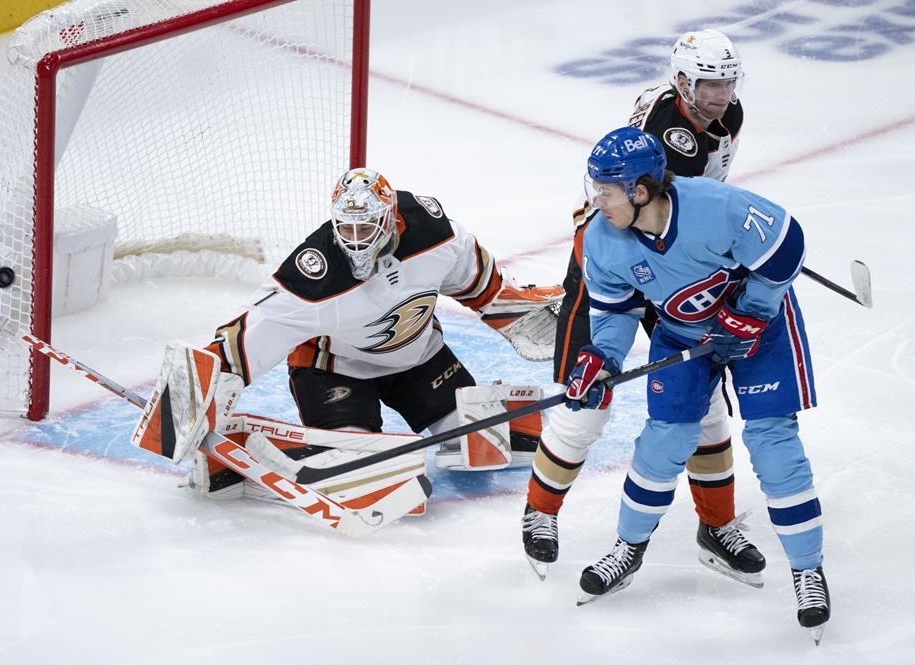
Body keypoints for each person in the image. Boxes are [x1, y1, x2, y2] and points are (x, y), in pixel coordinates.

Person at [137, 167, 561, 501]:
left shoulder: (434, 233)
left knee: (489, 443)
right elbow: (247, 340)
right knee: (359, 467)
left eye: (366, 228)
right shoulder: (315, 274)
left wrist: (522, 314)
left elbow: (478, 282)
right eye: (346, 229)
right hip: (333, 372)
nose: (355, 241)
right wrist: (184, 401)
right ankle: (247, 460)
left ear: (391, 218)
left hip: (418, 358)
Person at [568, 127, 829, 641]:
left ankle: (808, 571)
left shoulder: (715, 206)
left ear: (641, 190)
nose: (595, 198)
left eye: (606, 189)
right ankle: (628, 547)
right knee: (664, 440)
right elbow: (616, 313)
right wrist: (601, 359)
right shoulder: (600, 239)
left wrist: (753, 312)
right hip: (682, 330)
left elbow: (786, 244)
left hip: (761, 329)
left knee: (773, 441)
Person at [522, 29, 763, 584]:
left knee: (702, 403)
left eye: (728, 81)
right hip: (614, 264)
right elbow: (639, 207)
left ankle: (716, 525)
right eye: (709, 83)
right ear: (682, 81)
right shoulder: (664, 139)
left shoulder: (727, 115)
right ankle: (540, 511)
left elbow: (697, 201)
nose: (722, 93)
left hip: (677, 261)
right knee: (586, 398)